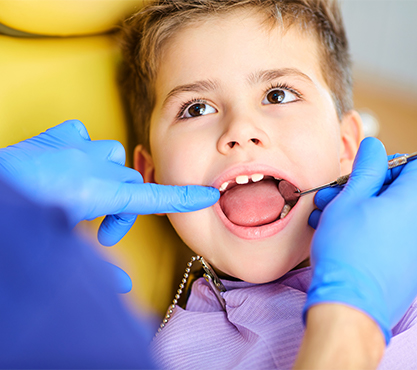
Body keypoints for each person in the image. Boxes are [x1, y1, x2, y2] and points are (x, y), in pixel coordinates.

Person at [117, 0, 417, 368]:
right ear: (152, 176)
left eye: (278, 94)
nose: (240, 130)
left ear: (345, 146)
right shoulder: (170, 357)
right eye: (196, 108)